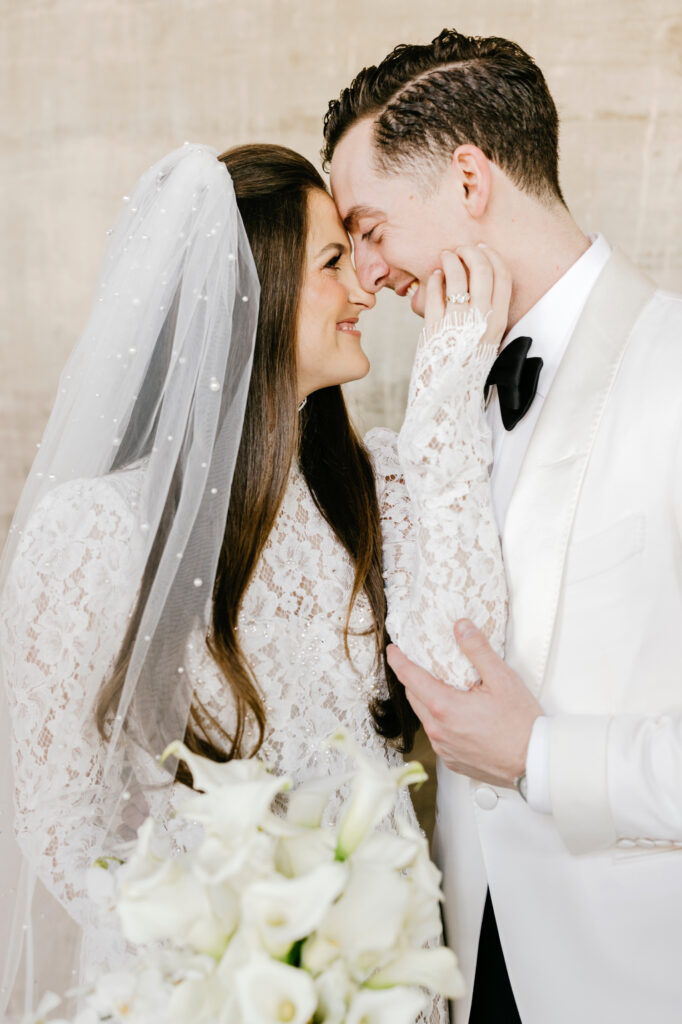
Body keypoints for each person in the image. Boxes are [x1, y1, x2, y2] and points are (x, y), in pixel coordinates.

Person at [0, 141, 509, 1022]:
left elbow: (467, 670)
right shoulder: (93, 532)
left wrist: (442, 405)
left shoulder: (380, 482)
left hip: (391, 983)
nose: (365, 291)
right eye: (334, 261)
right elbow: (58, 828)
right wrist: (233, 963)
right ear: (253, 291)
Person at [323, 27, 682, 1024]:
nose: (366, 272)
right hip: (466, 962)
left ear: (468, 179)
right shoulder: (447, 396)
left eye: (370, 225)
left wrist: (539, 755)